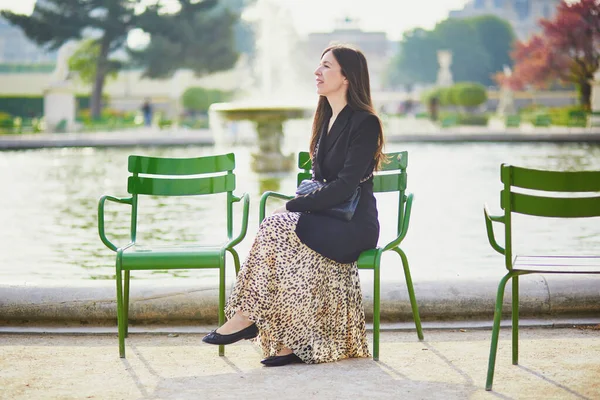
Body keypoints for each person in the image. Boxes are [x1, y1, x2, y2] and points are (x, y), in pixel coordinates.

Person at [202, 44, 385, 367]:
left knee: (277, 223)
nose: (317, 72)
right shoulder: (326, 119)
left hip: (354, 226)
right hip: (330, 220)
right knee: (281, 234)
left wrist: (293, 205)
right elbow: (321, 181)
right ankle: (288, 340)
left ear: (347, 77)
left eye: (326, 66)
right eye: (319, 65)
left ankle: (247, 317)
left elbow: (344, 187)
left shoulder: (364, 123)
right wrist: (297, 207)